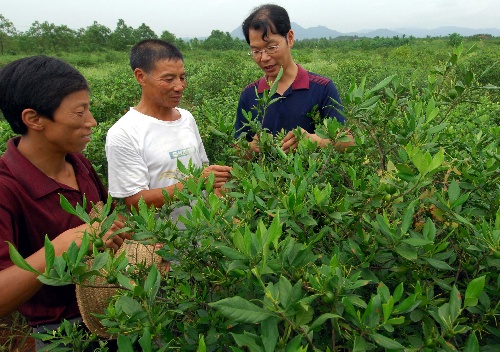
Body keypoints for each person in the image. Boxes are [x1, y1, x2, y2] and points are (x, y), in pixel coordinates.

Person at [0, 55, 130, 351]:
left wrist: (115, 232)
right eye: (79, 113)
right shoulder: (6, 188)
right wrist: (61, 247)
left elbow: (105, 221)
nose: (91, 122)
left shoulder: (79, 163)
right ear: (33, 119)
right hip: (61, 332)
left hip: (113, 308)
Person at [106, 39, 232, 217]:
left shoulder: (186, 118)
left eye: (182, 77)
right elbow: (135, 203)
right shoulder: (123, 133)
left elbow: (202, 171)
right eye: (168, 79)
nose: (180, 86)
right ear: (141, 76)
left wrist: (216, 190)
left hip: (204, 233)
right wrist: (194, 183)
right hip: (165, 242)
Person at [235, 4, 355, 154]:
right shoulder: (249, 95)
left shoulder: (322, 88)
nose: (264, 58)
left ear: (289, 38)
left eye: (271, 47)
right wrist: (251, 149)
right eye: (256, 51)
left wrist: (312, 141)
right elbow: (237, 149)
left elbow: (348, 143)